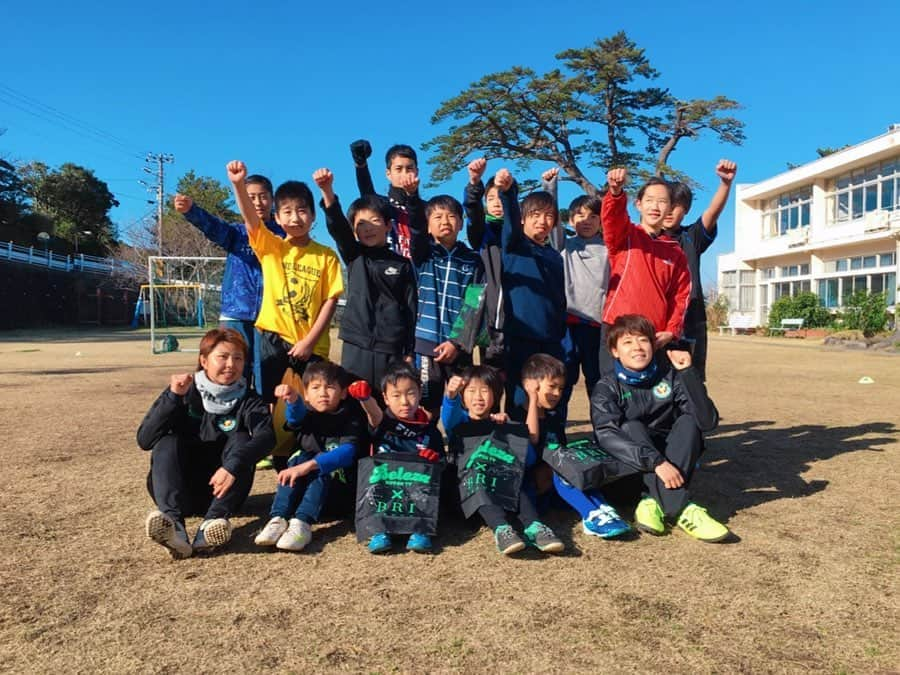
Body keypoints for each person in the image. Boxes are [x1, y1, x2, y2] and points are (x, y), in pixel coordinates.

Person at [591, 314, 729, 542]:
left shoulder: (670, 376)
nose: (637, 347)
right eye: (627, 342)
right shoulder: (606, 387)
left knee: (688, 423)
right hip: (631, 474)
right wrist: (656, 462)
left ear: (653, 345)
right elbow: (606, 434)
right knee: (631, 427)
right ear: (614, 351)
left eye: (643, 340)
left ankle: (651, 502)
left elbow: (707, 421)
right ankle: (682, 509)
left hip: (670, 465)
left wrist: (688, 373)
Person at [137, 328, 274, 558]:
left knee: (241, 438)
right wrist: (172, 398)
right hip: (180, 493)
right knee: (167, 441)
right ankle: (174, 527)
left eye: (238, 358)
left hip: (224, 494)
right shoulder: (184, 391)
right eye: (223, 357)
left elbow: (267, 436)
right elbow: (145, 439)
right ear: (204, 360)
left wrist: (233, 466)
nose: (231, 364)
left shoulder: (248, 399)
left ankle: (211, 526)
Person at [225, 160, 344, 406]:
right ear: (277, 218)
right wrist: (237, 184)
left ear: (312, 215)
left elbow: (330, 302)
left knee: (313, 403)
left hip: (313, 345)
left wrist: (309, 342)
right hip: (273, 340)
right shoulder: (271, 247)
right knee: (271, 401)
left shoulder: (326, 255)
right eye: (287, 212)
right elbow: (251, 221)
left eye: (302, 211)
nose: (295, 217)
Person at [173, 176, 284, 392]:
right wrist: (191, 210)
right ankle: (229, 423)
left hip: (272, 318)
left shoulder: (284, 235)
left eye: (263, 197)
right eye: (251, 197)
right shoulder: (236, 233)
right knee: (231, 374)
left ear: (272, 200)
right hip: (236, 314)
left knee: (267, 377)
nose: (258, 203)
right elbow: (212, 226)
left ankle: (263, 422)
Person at [313, 168, 416, 397]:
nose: (367, 227)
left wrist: (409, 350)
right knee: (353, 400)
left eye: (374, 220)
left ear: (389, 226)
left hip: (391, 346)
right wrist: (327, 191)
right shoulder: (354, 255)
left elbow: (410, 309)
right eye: (360, 223)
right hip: (356, 343)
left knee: (385, 402)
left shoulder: (402, 265)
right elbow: (337, 227)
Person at [441, 367, 564, 555]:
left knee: (511, 472)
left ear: (496, 395)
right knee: (478, 473)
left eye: (484, 390)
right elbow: (449, 418)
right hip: (470, 496)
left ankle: (535, 526)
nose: (478, 397)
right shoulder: (460, 424)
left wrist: (507, 431)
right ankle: (501, 530)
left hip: (506, 495)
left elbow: (528, 459)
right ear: (462, 396)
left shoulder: (502, 423)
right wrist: (450, 396)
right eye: (471, 391)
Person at [254, 361, 366, 552]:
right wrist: (293, 399)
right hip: (303, 489)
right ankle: (278, 519)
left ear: (344, 392)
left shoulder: (351, 418)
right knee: (299, 458)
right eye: (315, 387)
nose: (323, 393)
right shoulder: (307, 414)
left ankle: (302, 524)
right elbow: (295, 417)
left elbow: (347, 452)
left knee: (319, 465)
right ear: (306, 393)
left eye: (330, 387)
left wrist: (309, 466)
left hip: (337, 492)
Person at [518, 353, 631, 539]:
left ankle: (602, 508)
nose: (557, 394)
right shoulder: (518, 414)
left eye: (561, 388)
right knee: (562, 468)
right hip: (534, 488)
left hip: (557, 489)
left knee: (576, 467)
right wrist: (531, 399)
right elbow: (532, 438)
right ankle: (590, 516)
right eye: (552, 387)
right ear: (531, 384)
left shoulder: (553, 417)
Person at [347, 363, 444, 554]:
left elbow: (442, 465)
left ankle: (420, 530)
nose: (405, 402)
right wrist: (365, 398)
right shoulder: (384, 423)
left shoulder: (430, 431)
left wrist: (434, 459)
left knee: (425, 482)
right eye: (396, 395)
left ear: (419, 393)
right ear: (385, 398)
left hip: (415, 491)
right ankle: (379, 531)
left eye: (410, 393)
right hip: (386, 488)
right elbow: (374, 414)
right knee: (376, 483)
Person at [493, 168, 567, 415]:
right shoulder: (514, 246)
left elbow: (559, 299)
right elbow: (510, 220)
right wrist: (508, 192)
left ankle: (553, 442)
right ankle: (518, 443)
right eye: (535, 215)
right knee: (520, 393)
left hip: (552, 337)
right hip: (521, 335)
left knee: (553, 392)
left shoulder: (554, 255)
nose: (542, 221)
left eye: (548, 216)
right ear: (523, 218)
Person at [601, 169, 691, 363]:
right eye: (649, 200)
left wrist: (671, 331)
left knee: (653, 393)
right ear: (639, 205)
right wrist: (615, 193)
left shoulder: (676, 253)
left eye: (662, 201)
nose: (655, 206)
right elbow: (612, 218)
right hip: (617, 329)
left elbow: (680, 297)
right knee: (612, 391)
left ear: (669, 209)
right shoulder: (624, 235)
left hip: (653, 338)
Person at [661, 160, 738, 380]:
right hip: (656, 318)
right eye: (665, 203)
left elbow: (712, 214)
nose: (668, 211)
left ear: (685, 210)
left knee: (691, 378)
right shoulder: (644, 239)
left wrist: (725, 183)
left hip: (691, 318)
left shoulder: (690, 237)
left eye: (676, 206)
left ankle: (692, 415)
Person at [409, 194, 483, 417]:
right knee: (427, 403)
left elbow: (474, 304)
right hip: (425, 344)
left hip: (458, 346)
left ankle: (460, 448)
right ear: (428, 225)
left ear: (460, 223)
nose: (445, 222)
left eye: (451, 216)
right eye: (437, 217)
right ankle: (428, 444)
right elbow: (415, 232)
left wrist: (456, 342)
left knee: (463, 400)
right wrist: (413, 197)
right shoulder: (422, 254)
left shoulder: (472, 260)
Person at [462, 158, 506, 371]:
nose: (496, 203)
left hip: (513, 319)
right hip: (482, 316)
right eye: (490, 198)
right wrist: (474, 182)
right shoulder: (481, 233)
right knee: (484, 378)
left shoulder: (519, 236)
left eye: (501, 197)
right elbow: (473, 211)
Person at [349, 140, 423, 259]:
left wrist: (413, 195)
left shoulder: (427, 209)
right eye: (398, 169)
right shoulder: (382, 205)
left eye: (409, 168)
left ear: (417, 172)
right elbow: (367, 192)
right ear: (388, 173)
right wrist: (361, 164)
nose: (404, 174)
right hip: (387, 271)